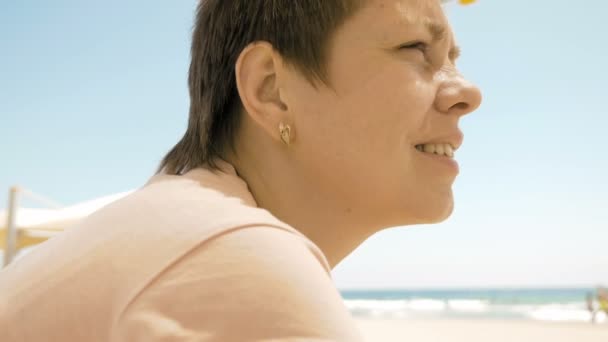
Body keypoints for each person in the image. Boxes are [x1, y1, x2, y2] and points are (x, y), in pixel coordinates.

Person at [0, 0, 482, 340]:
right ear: (271, 88)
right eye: (417, 48)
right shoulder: (227, 257)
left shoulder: (180, 225)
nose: (467, 93)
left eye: (453, 60)